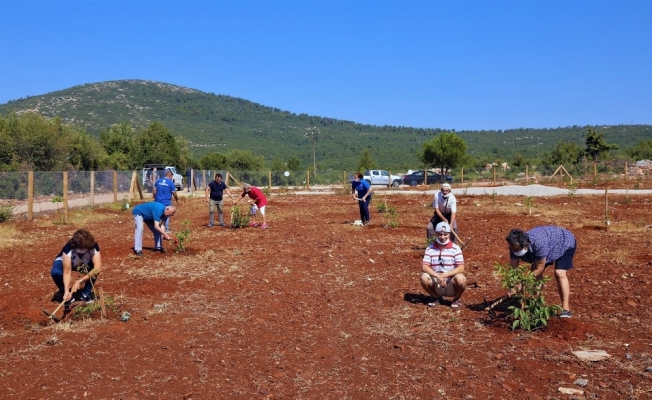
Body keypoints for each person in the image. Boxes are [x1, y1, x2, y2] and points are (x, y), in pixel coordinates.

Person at [506, 226, 576, 318]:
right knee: (533, 273)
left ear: (526, 245)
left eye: (517, 250)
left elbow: (539, 269)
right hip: (548, 244)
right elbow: (513, 269)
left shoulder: (539, 243)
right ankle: (536, 304)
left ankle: (566, 309)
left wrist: (523, 282)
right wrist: (512, 285)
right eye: (513, 249)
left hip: (564, 243)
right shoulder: (513, 245)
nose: (514, 252)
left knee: (559, 273)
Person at [420, 222, 466, 308]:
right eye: (440, 234)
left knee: (461, 279)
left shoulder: (455, 248)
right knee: (424, 277)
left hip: (451, 282)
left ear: (449, 234)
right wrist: (438, 276)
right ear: (435, 234)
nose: (442, 237)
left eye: (445, 234)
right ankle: (435, 297)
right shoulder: (430, 248)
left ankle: (457, 299)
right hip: (436, 281)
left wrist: (445, 275)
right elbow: (424, 267)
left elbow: (461, 268)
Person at [50, 229, 102, 306]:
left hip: (84, 263)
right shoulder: (68, 248)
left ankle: (85, 293)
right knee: (55, 272)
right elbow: (67, 272)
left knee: (94, 270)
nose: (81, 249)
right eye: (79, 247)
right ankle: (67, 295)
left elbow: (98, 268)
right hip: (68, 262)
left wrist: (80, 281)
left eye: (84, 247)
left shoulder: (93, 246)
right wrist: (66, 291)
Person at [153, 169, 179, 233]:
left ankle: (157, 227)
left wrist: (155, 196)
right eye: (172, 177)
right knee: (167, 215)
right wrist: (177, 199)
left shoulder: (158, 181)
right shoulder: (170, 183)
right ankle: (166, 229)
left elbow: (154, 190)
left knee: (158, 214)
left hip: (158, 201)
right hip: (166, 202)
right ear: (170, 176)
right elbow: (174, 193)